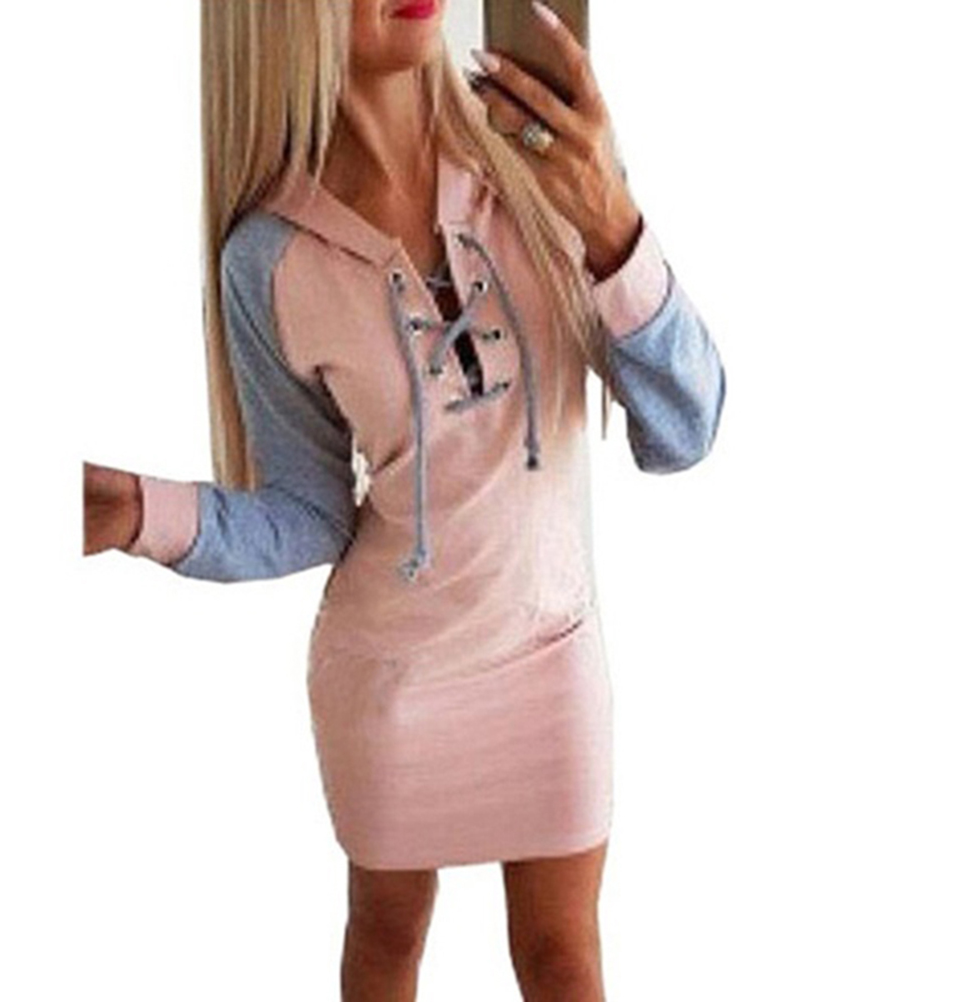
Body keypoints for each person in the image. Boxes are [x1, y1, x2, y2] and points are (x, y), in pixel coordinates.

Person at [83, 0, 726, 997]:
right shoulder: (269, 261)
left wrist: (611, 222)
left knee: (563, 959)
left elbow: (685, 431)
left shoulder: (543, 160)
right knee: (386, 940)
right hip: (391, 683)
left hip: (552, 649)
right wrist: (137, 511)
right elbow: (308, 515)